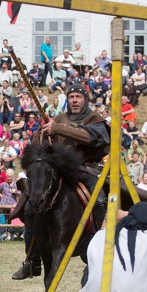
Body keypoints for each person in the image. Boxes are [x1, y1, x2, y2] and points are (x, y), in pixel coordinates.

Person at [12, 83, 110, 280]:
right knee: (31, 205)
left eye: (78, 97)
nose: (74, 100)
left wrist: (58, 127)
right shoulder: (58, 119)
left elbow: (93, 137)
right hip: (59, 172)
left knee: (99, 200)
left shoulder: (95, 119)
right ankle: (32, 260)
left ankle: (97, 245)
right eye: (71, 96)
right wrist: (44, 133)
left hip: (86, 170)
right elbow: (40, 147)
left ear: (85, 100)